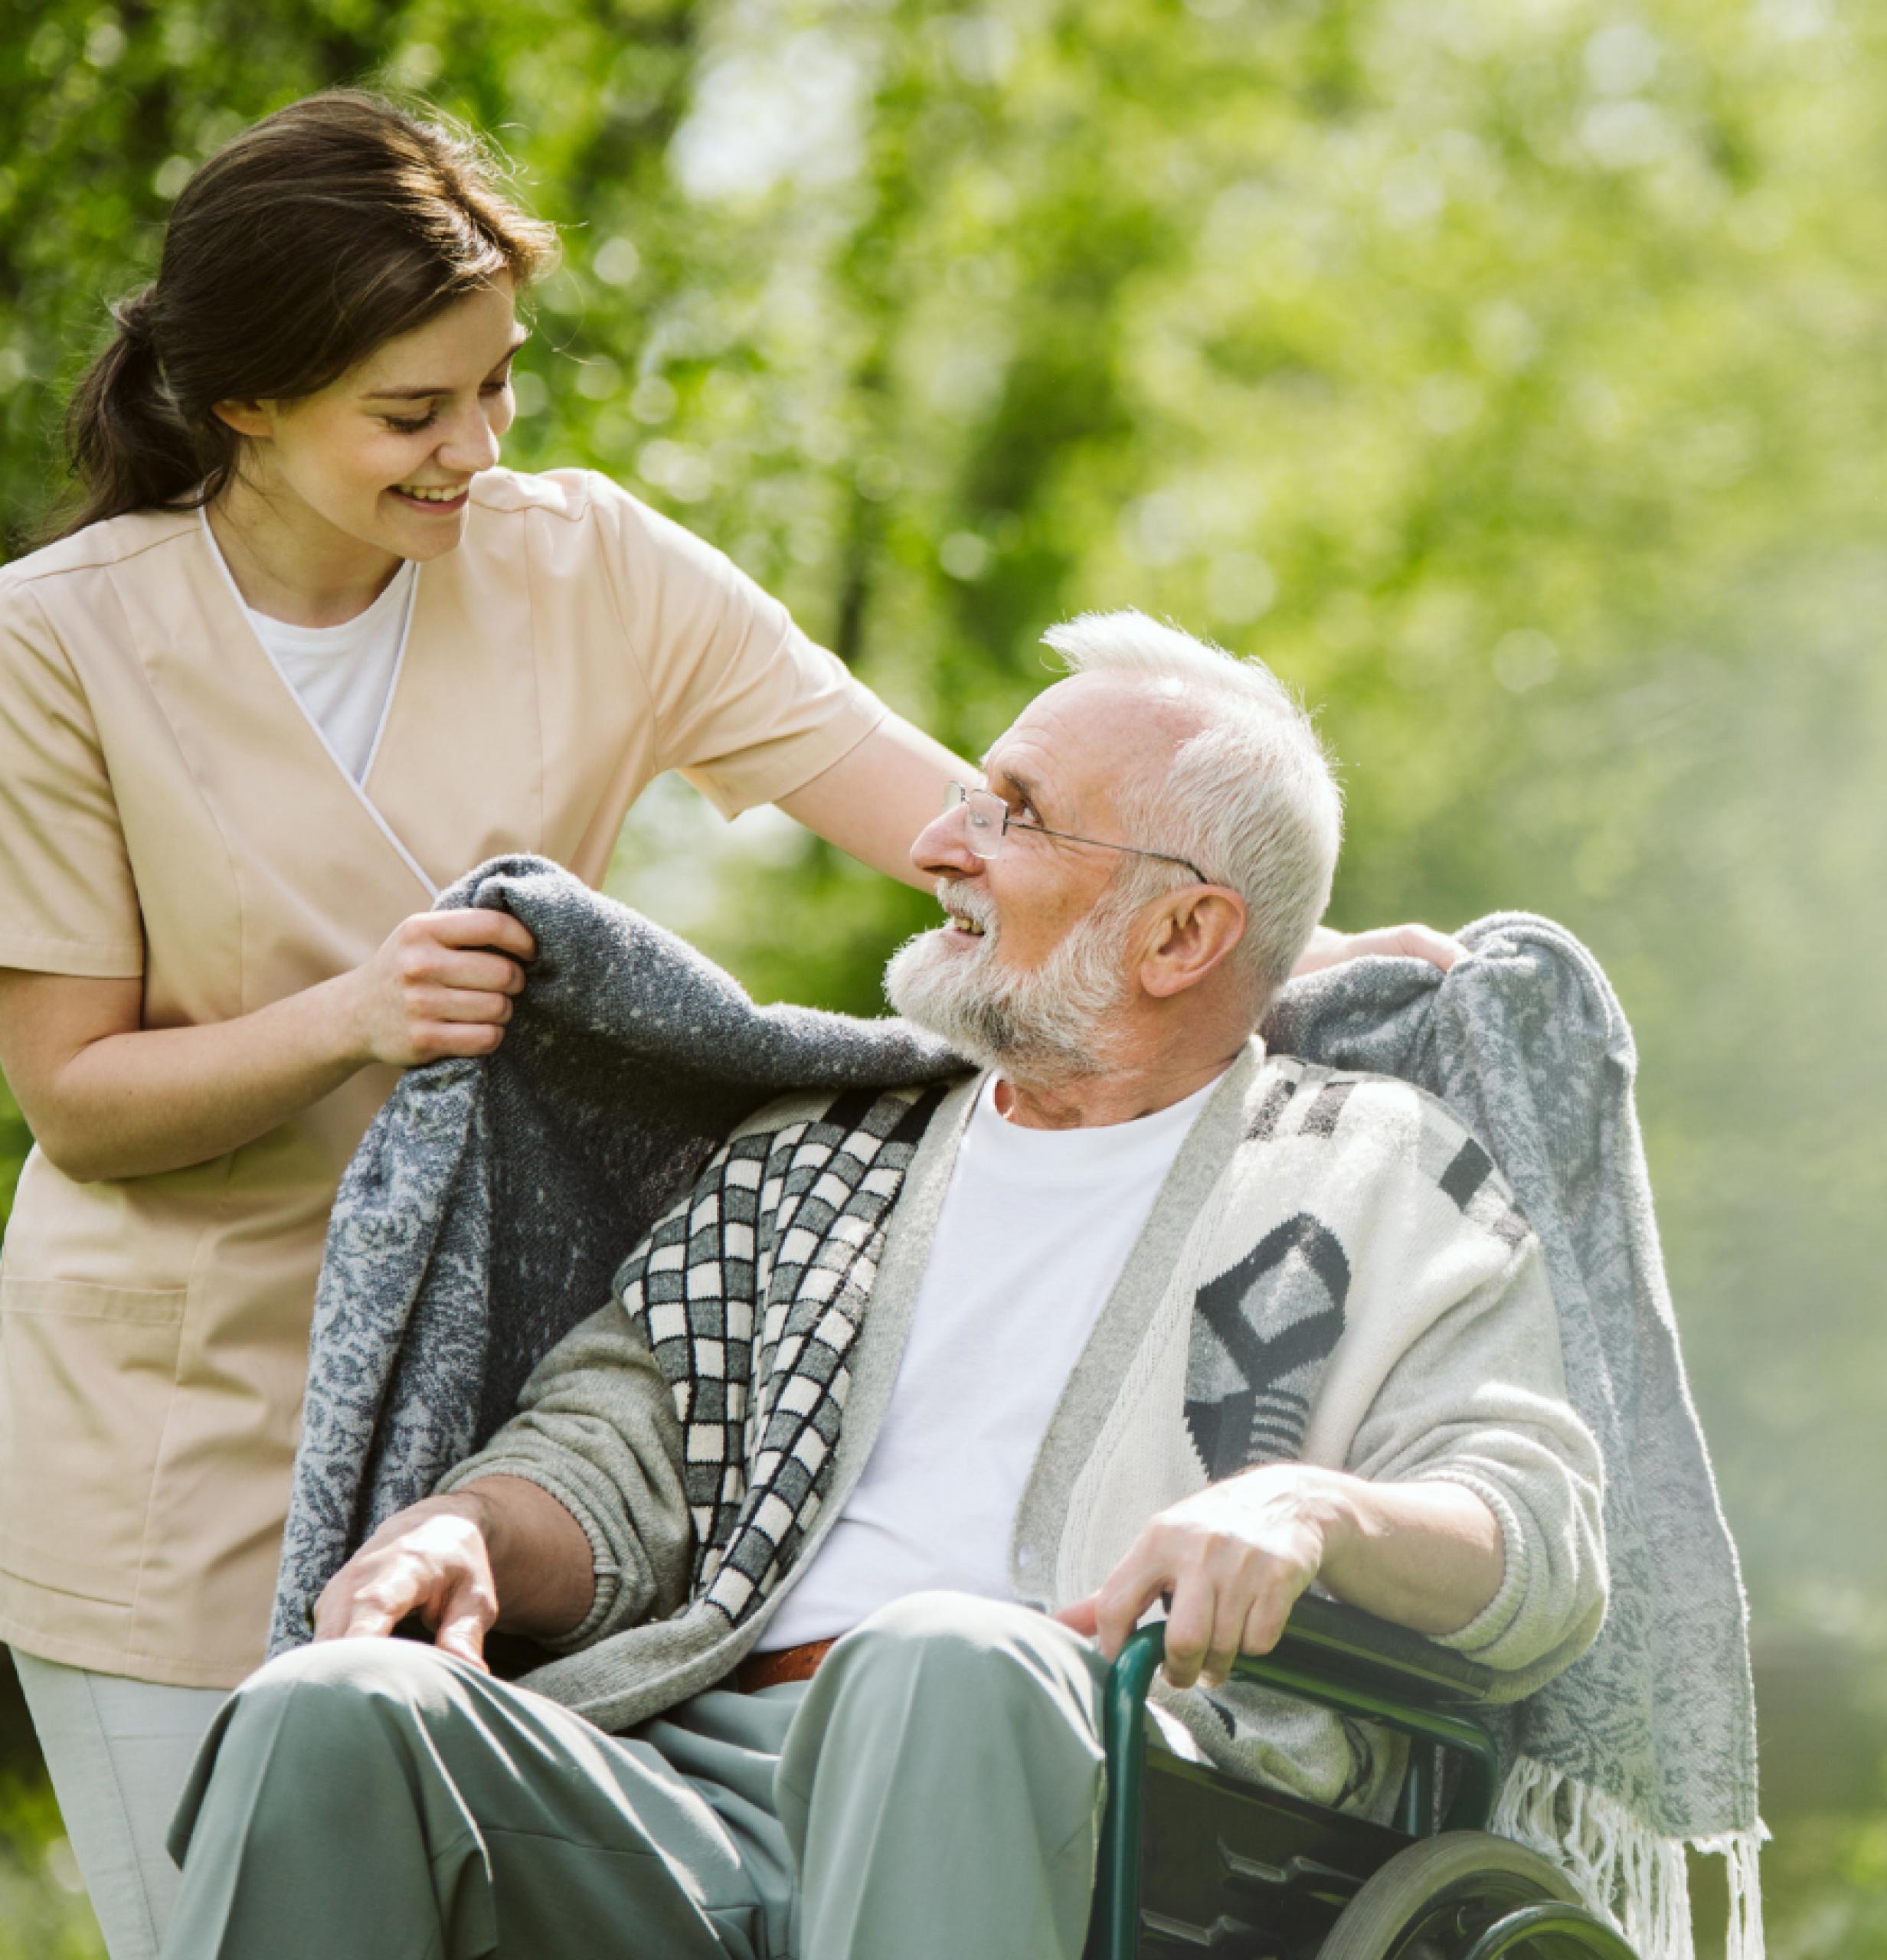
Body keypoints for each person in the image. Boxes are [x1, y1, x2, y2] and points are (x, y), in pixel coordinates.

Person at [0, 92, 1452, 1960]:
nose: (475, 450)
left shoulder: (588, 567)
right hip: (180, 1420)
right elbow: (80, 1098)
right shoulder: (59, 640)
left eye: (497, 387)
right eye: (411, 413)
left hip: (506, 1394)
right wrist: (357, 1014)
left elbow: (973, 832)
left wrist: (1277, 941)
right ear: (249, 405)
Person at [158, 615, 1604, 1960]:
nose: (936, 843)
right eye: (970, 797)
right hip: (692, 1783)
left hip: (1127, 1798)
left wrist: (1309, 1508)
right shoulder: (817, 1158)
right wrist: (465, 1526)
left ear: (1183, 936)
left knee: (938, 1660)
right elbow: (609, 1458)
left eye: (1014, 813)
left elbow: (1536, 1533)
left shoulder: (1369, 1173)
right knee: (336, 1710)